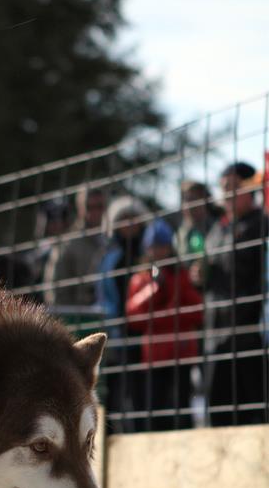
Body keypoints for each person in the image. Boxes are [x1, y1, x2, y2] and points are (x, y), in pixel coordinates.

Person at [195, 161, 268, 426]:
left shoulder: (261, 225)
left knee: (252, 413)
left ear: (252, 188)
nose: (227, 194)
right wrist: (199, 278)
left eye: (234, 188)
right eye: (224, 188)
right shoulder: (218, 228)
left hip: (249, 335)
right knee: (218, 413)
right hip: (215, 335)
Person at [126, 219, 203, 431]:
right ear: (146, 249)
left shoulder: (181, 276)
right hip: (154, 355)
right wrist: (154, 290)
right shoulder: (140, 279)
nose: (158, 251)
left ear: (170, 248)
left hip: (181, 352)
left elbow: (197, 311)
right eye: (154, 246)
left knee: (181, 408)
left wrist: (162, 315)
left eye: (163, 246)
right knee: (155, 409)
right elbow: (133, 316)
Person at [96, 195, 147, 432]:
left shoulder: (148, 253)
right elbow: (104, 296)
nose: (128, 224)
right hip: (115, 336)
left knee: (141, 396)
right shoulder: (110, 258)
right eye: (123, 219)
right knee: (114, 396)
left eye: (133, 218)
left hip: (144, 336)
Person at [44, 187, 107, 311]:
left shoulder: (111, 240)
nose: (95, 212)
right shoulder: (67, 244)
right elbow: (55, 292)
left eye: (99, 207)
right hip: (79, 317)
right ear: (80, 208)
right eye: (89, 207)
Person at [174, 180, 220, 265]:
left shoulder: (219, 227)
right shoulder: (179, 236)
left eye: (193, 199)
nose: (189, 205)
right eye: (185, 200)